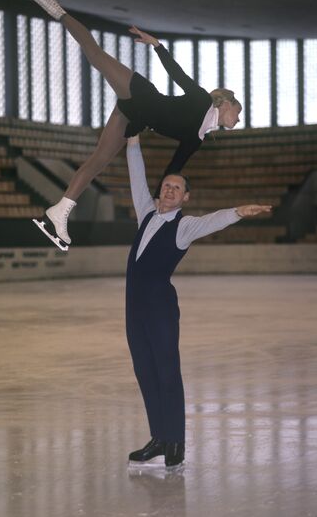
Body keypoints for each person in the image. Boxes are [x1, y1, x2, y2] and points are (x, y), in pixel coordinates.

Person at [26, 0, 242, 251]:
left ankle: (60, 211)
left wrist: (156, 201)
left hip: (133, 118)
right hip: (141, 94)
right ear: (227, 103)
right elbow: (179, 75)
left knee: (99, 160)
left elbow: (173, 169)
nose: (238, 120)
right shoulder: (201, 101)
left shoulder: (197, 139)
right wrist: (157, 46)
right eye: (238, 112)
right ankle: (58, 11)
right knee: (96, 55)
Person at [124, 135, 271, 469]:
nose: (170, 190)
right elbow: (136, 177)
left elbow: (211, 221)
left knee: (167, 372)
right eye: (166, 185)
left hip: (160, 308)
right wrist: (133, 143)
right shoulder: (145, 213)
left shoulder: (184, 226)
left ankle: (175, 442)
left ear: (185, 197)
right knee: (146, 373)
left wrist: (238, 212)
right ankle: (159, 437)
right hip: (133, 310)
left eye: (177, 188)